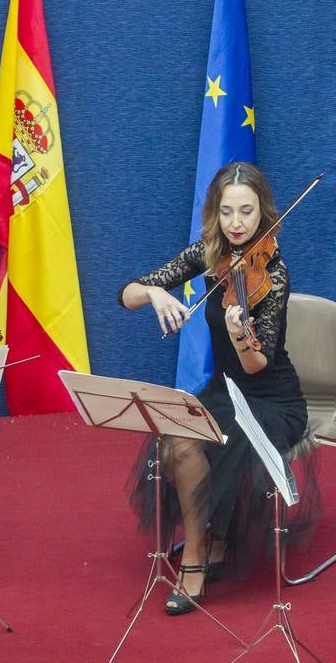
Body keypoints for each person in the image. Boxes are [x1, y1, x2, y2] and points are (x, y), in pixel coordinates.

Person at [118, 162, 312, 615]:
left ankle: (195, 557)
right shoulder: (209, 254)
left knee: (193, 443)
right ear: (216, 213)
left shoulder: (275, 274)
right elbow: (126, 294)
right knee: (174, 441)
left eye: (246, 211)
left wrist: (241, 334)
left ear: (263, 212)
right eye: (227, 212)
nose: (237, 223)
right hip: (224, 391)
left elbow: (257, 363)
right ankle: (206, 538)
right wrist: (155, 294)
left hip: (271, 399)